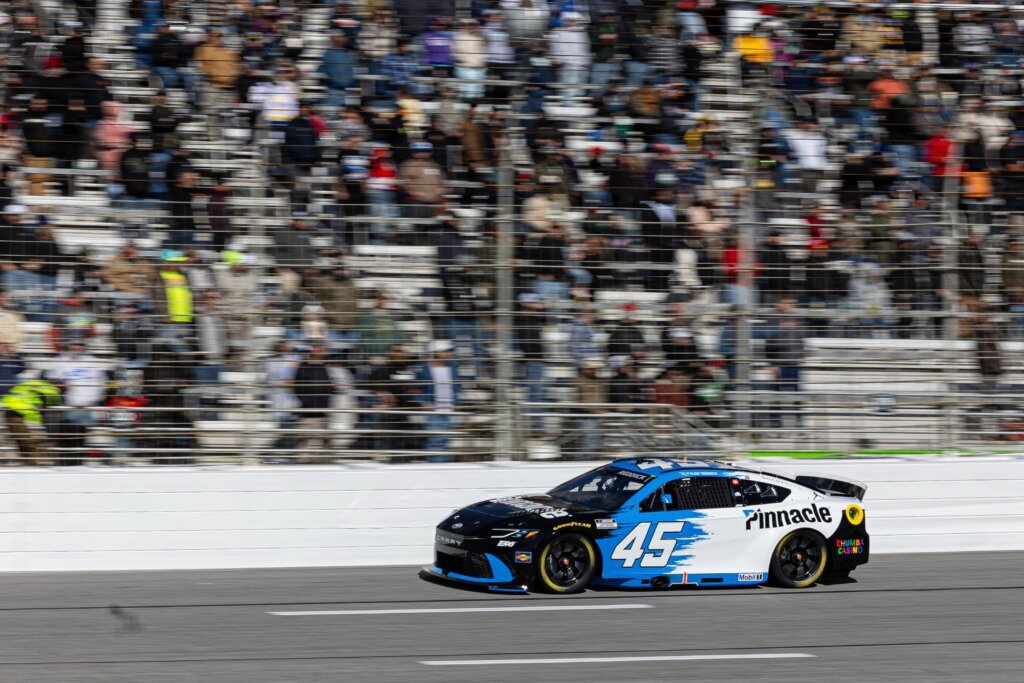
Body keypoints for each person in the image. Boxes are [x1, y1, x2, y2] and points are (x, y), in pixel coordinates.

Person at [46, 340, 108, 464]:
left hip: (88, 407)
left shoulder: (92, 361)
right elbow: (51, 381)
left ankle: (77, 464)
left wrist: (95, 398)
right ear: (68, 345)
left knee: (82, 438)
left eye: (79, 345)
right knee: (67, 439)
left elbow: (102, 382)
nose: (76, 347)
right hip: (68, 407)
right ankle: (65, 463)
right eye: (73, 344)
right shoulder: (60, 361)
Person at [414, 340, 461, 460]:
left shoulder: (453, 367)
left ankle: (441, 463)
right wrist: (423, 403)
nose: (450, 354)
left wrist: (457, 402)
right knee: (436, 438)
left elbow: (457, 386)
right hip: (433, 408)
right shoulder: (422, 368)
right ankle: (436, 464)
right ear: (436, 353)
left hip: (450, 407)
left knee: (446, 437)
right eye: (447, 351)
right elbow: (414, 388)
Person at [1, 376, 61, 465]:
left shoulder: (31, 383)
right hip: (21, 413)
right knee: (28, 442)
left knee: (24, 442)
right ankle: (32, 465)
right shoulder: (50, 389)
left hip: (11, 410)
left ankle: (28, 463)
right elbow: (56, 402)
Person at [292, 343, 334, 463]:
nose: (319, 351)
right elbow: (297, 387)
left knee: (323, 441)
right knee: (304, 441)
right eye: (316, 348)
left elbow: (331, 386)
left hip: (323, 411)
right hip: (307, 412)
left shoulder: (326, 367)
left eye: (321, 349)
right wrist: (307, 402)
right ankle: (302, 463)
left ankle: (324, 462)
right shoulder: (303, 366)